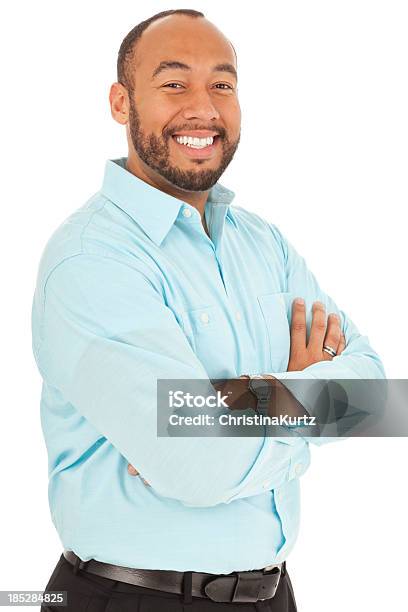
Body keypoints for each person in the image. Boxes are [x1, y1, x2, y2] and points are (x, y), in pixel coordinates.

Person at [31, 8, 385, 612]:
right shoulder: (92, 260)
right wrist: (302, 398)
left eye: (222, 84)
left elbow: (376, 397)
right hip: (131, 597)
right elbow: (198, 468)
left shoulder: (263, 243)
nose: (204, 108)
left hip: (274, 593)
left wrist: (230, 402)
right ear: (121, 102)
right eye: (174, 84)